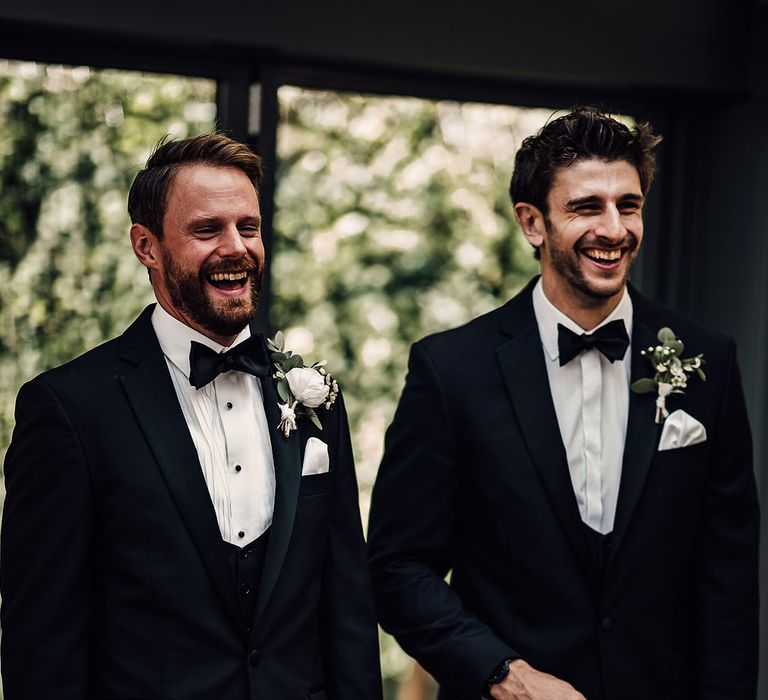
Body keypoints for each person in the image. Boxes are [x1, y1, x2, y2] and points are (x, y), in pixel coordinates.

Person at [367, 107, 759, 700]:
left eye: (628, 205)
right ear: (532, 222)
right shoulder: (451, 371)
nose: (614, 228)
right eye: (585, 207)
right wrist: (503, 673)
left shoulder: (709, 361)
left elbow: (728, 574)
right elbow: (397, 569)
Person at [1, 133, 382, 700]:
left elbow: (347, 609)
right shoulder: (68, 410)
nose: (236, 248)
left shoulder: (313, 397)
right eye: (208, 230)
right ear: (146, 246)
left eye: (248, 227)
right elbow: (42, 647)